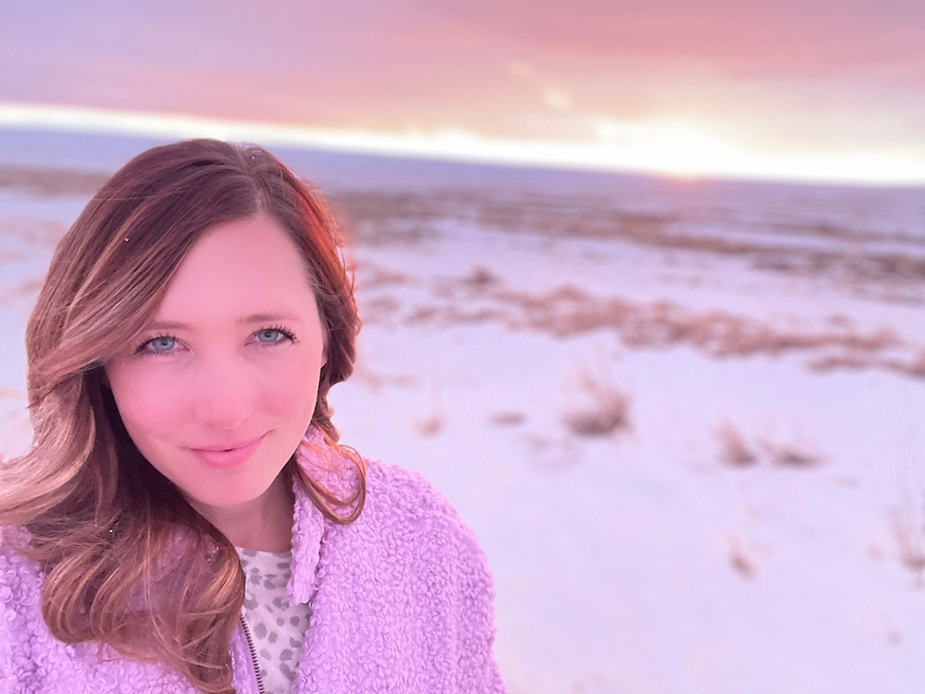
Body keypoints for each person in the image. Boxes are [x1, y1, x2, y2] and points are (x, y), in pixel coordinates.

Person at [0, 139, 505, 693]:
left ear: (326, 338)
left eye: (268, 334)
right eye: (161, 343)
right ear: (98, 363)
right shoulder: (19, 585)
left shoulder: (420, 539)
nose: (225, 409)